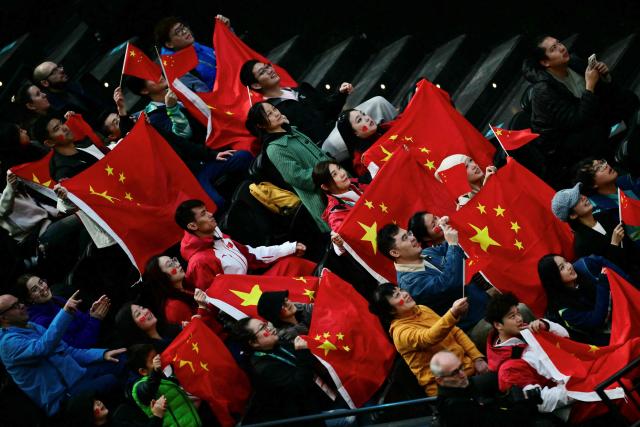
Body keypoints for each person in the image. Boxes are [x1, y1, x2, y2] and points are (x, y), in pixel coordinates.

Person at [522, 36, 639, 188]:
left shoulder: (574, 62)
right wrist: (590, 85)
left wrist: (604, 77)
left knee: (626, 97)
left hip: (587, 116)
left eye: (559, 43)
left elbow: (605, 94)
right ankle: (618, 168)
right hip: (564, 144)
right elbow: (577, 120)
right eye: (553, 49)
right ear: (545, 62)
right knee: (594, 130)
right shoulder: (543, 91)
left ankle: (635, 139)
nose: (562, 48)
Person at [120, 78, 253, 209]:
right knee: (215, 203)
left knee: (245, 154)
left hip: (216, 144)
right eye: (150, 77)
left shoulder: (180, 91)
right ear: (144, 90)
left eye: (155, 70)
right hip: (196, 168)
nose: (158, 76)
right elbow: (182, 138)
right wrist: (172, 108)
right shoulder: (153, 117)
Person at [0, 291, 126, 416]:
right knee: (110, 381)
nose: (22, 305)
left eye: (19, 302)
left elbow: (68, 350)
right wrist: (65, 313)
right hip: (62, 397)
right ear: (3, 318)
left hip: (78, 375)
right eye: (15, 306)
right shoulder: (7, 343)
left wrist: (102, 355)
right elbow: (43, 348)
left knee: (119, 360)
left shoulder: (32, 326)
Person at [370, 284, 488, 396]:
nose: (404, 294)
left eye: (400, 290)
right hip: (448, 387)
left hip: (469, 369)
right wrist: (453, 313)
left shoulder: (422, 309)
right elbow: (429, 337)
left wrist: (477, 358)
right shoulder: (400, 333)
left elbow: (455, 332)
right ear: (391, 311)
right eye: (397, 296)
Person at [176, 199, 315, 289]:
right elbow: (214, 301)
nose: (211, 214)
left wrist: (288, 248)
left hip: (255, 284)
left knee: (293, 263)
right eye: (203, 214)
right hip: (249, 298)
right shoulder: (199, 263)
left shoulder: (215, 234)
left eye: (207, 210)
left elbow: (251, 255)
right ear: (193, 226)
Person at [377, 221, 488, 331]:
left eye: (409, 233)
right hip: (474, 325)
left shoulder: (426, 253)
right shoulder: (411, 283)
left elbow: (455, 244)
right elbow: (450, 283)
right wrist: (452, 244)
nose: (413, 238)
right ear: (395, 253)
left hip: (483, 302)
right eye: (405, 238)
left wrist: (449, 224)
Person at [245, 101, 332, 232]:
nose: (276, 113)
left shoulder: (291, 130)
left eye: (274, 109)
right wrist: (329, 173)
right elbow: (297, 177)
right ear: (261, 125)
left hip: (336, 180)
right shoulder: (274, 149)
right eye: (269, 114)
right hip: (324, 197)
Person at [484, 293, 572, 418]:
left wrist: (546, 326)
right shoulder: (508, 369)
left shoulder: (526, 330)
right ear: (498, 325)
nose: (519, 319)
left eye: (518, 313)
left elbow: (566, 339)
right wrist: (578, 390)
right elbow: (540, 402)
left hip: (577, 374)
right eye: (512, 316)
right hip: (570, 405)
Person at [231, 317, 334, 422]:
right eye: (262, 328)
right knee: (348, 419)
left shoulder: (280, 344)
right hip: (312, 415)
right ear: (254, 343)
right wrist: (303, 352)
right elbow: (300, 385)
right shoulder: (262, 368)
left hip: (325, 396)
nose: (269, 328)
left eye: (266, 324)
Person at [537, 254, 633, 345]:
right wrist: (603, 282)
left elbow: (626, 281)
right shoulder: (564, 310)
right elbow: (597, 319)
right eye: (562, 268)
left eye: (566, 262)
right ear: (554, 279)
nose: (569, 266)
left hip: (623, 317)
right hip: (608, 339)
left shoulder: (585, 267)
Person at [431, 350, 542, 427]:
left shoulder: (463, 386)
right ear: (440, 380)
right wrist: (523, 404)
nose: (462, 374)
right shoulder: (455, 409)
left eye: (461, 367)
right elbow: (500, 422)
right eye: (454, 373)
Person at [551, 182, 638, 274]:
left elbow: (630, 244)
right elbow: (606, 272)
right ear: (572, 215)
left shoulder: (604, 216)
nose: (583, 197)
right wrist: (614, 244)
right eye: (577, 200)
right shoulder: (581, 245)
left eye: (580, 194)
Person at [14, 274, 109, 348]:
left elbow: (82, 321)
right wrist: (95, 320)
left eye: (41, 282)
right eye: (35, 289)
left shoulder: (56, 299)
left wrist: (92, 312)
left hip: (94, 338)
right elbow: (76, 346)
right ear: (29, 299)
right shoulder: (40, 322)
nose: (42, 288)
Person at [128, 344, 203, 427]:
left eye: (157, 356)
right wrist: (155, 372)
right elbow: (148, 390)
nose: (159, 360)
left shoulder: (165, 378)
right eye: (153, 359)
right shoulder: (138, 387)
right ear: (143, 371)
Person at [574, 157, 640, 245]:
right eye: (598, 168)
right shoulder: (598, 212)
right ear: (592, 184)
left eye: (602, 163)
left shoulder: (629, 181)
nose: (605, 166)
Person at [156, 15, 231, 92]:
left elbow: (228, 57)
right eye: (178, 32)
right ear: (169, 44)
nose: (185, 31)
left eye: (183, 27)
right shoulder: (180, 71)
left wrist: (227, 31)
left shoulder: (194, 46)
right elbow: (205, 97)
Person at [312, 160, 367, 254]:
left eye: (339, 168)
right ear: (325, 187)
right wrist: (341, 245)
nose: (342, 174)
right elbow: (348, 247)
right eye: (334, 175)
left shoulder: (356, 182)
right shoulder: (335, 215)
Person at [32, 61, 109, 126]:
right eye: (54, 71)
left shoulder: (77, 84)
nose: (61, 70)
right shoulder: (55, 109)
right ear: (45, 83)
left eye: (59, 67)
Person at [335, 109, 395, 177]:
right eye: (359, 120)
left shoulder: (385, 127)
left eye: (363, 114)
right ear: (354, 133)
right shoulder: (362, 162)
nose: (367, 118)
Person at [65, 391, 166, 427]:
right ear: (86, 416)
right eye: (93, 405)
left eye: (96, 400)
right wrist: (157, 416)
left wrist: (154, 414)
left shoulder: (118, 417)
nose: (98, 402)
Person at [114, 302, 181, 351]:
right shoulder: (151, 355)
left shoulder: (170, 328)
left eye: (142, 308)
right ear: (132, 326)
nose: (145, 312)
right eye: (138, 314)